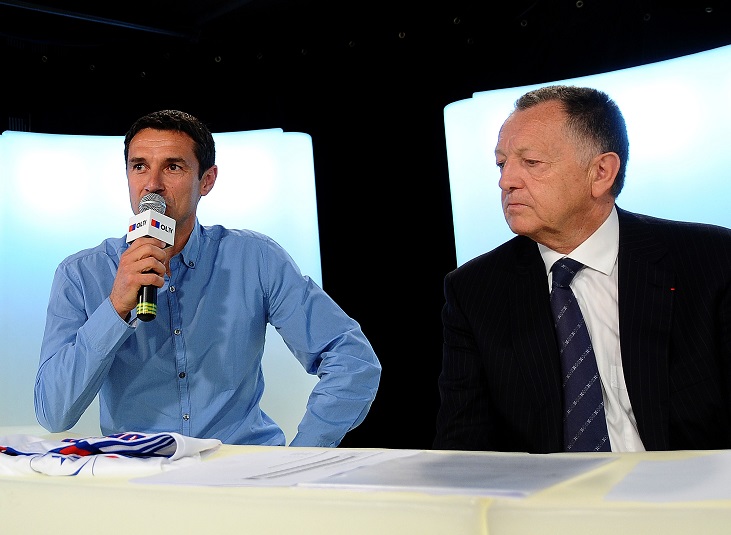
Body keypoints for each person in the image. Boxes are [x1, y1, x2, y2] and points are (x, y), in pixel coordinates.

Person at [35, 109, 381, 447]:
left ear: (207, 180)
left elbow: (352, 359)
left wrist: (302, 456)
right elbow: (53, 413)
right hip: (141, 473)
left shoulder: (256, 258)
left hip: (241, 470)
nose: (152, 185)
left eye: (172, 167)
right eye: (139, 166)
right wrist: (114, 308)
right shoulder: (80, 273)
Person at [433, 85, 731, 453]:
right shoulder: (474, 291)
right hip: (553, 490)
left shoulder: (712, 260)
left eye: (531, 162)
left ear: (601, 172)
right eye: (501, 163)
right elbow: (462, 449)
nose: (505, 180)